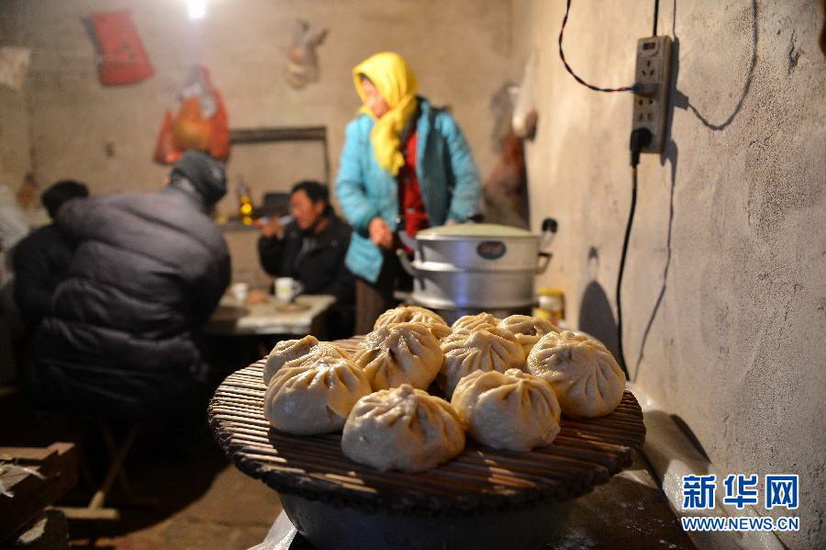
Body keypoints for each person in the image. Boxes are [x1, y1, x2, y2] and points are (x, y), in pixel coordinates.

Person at [31, 151, 231, 422]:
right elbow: (202, 311)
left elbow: (66, 213)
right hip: (145, 385)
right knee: (204, 357)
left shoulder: (114, 204)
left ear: (167, 179)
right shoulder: (213, 243)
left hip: (58, 367)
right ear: (211, 204)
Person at [335, 52, 482, 334]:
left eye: (374, 94)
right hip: (376, 250)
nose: (370, 103)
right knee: (371, 335)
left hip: (432, 246)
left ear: (395, 87)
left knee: (434, 334)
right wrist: (370, 220)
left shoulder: (439, 125)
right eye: (365, 95)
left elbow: (467, 177)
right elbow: (347, 185)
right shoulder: (360, 130)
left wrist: (455, 223)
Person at [257, 180, 355, 338]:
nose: (295, 213)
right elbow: (274, 268)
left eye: (299, 206)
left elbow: (345, 285)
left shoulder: (342, 236)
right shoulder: (293, 233)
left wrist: (306, 298)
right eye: (292, 207)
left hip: (328, 319)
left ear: (319, 206)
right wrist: (269, 242)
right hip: (290, 313)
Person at [12, 180, 89, 332]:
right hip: (57, 332)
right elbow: (29, 297)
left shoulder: (93, 237)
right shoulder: (35, 246)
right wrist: (78, 309)